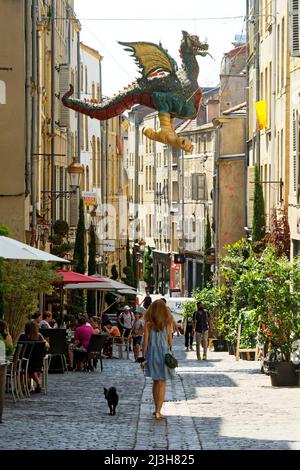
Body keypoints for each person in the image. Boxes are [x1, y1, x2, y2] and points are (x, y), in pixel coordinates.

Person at [142, 299, 175, 420]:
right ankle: (158, 411)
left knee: (155, 381)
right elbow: (170, 341)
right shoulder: (168, 322)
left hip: (152, 355)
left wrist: (143, 356)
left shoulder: (148, 323)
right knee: (162, 383)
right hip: (164, 354)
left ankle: (156, 408)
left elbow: (145, 342)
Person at [18, 320, 48, 393]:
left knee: (26, 368)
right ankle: (36, 384)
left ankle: (28, 386)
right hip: (39, 362)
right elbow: (47, 346)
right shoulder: (39, 336)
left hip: (26, 362)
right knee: (31, 368)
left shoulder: (23, 336)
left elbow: (19, 349)